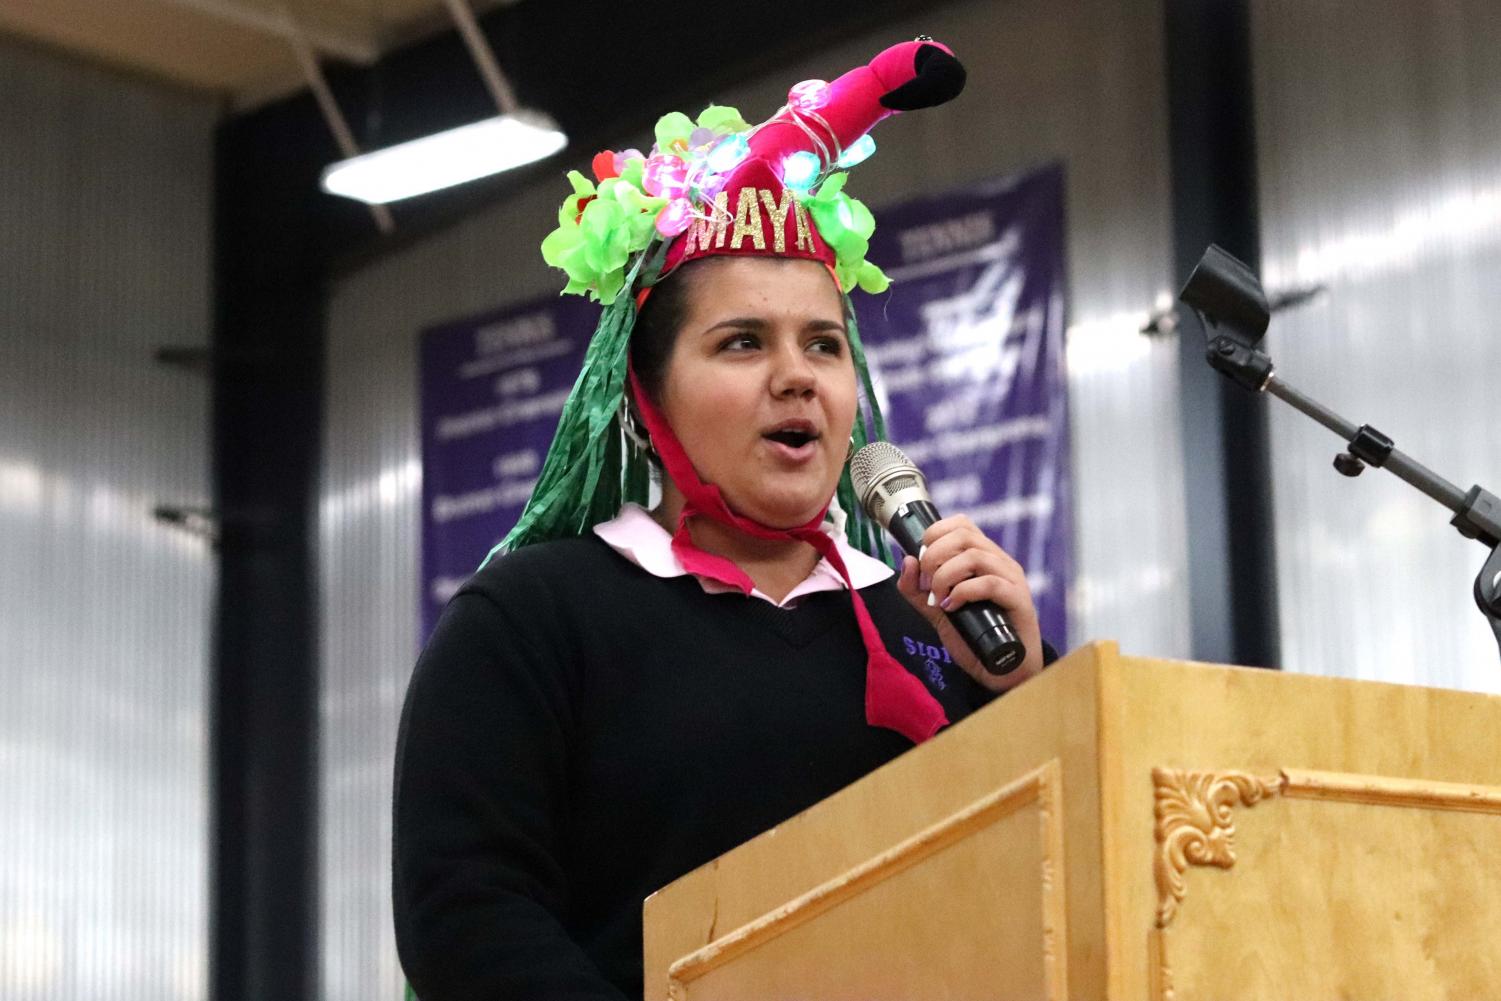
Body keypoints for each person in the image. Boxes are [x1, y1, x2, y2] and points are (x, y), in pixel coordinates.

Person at [393, 38, 1056, 1001]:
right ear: (643, 393)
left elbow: (1048, 886)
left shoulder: (938, 621)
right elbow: (468, 916)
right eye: (742, 341)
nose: (796, 374)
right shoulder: (528, 618)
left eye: (823, 344)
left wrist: (1019, 691)